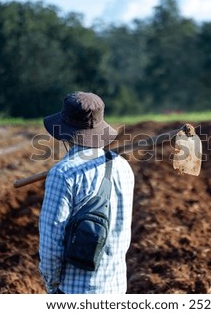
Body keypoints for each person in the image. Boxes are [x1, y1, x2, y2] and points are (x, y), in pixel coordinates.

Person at [39, 91, 135, 294]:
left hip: (75, 290)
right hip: (116, 287)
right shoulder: (123, 167)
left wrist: (52, 286)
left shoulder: (62, 174)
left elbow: (51, 244)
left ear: (66, 132)